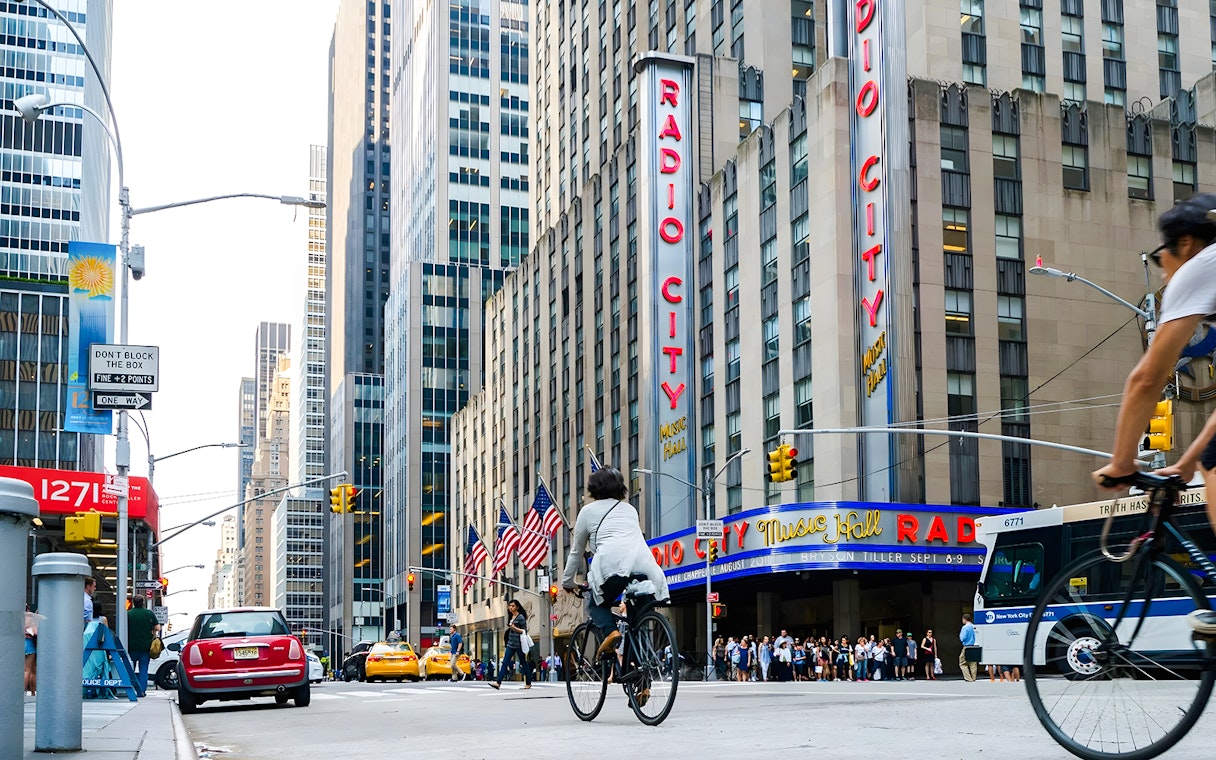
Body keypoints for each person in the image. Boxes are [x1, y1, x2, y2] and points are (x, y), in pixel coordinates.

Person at [1090, 194, 1216, 636]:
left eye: (1161, 258)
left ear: (1185, 244)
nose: (1164, 269)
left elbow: (1146, 380)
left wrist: (1122, 463)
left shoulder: (1201, 268)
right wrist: (1184, 465)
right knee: (1210, 457)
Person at [561, 467, 670, 654]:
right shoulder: (630, 510)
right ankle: (640, 678)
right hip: (645, 566)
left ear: (594, 488)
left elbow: (576, 551)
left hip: (612, 567)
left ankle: (611, 632)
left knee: (595, 606)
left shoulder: (587, 512)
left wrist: (567, 581)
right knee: (637, 624)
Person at [489, 599, 532, 690]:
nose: (510, 607)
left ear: (517, 607)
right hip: (511, 644)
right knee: (505, 662)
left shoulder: (520, 617)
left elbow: (524, 631)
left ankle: (528, 683)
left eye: (513, 606)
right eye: (509, 606)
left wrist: (514, 628)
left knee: (523, 663)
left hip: (519, 644)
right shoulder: (510, 616)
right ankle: (498, 682)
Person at [126, 595, 160, 697]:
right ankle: (141, 691)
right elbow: (158, 627)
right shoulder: (148, 614)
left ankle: (130, 689)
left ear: (133, 602)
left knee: (130, 669)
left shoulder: (128, 614)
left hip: (131, 646)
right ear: (143, 602)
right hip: (145, 646)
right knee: (143, 669)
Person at [24, 605, 40, 696]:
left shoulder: (19, 617)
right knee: (29, 671)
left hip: (20, 644)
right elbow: (35, 632)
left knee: (25, 670)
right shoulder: (30, 617)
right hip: (29, 644)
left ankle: (27, 692)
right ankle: (28, 692)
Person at [958, 613, 978, 682]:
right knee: (973, 663)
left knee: (962, 663)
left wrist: (960, 637)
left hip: (966, 646)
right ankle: (974, 677)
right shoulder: (974, 626)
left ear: (964, 619)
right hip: (973, 646)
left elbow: (962, 638)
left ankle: (968, 678)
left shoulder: (965, 627)